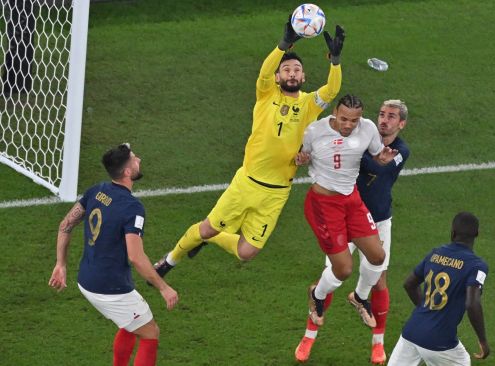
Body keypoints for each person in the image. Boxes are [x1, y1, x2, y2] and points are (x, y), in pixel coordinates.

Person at [151, 17, 345, 277]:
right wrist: (283, 45)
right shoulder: (266, 95)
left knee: (246, 252)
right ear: (278, 77)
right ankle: (171, 260)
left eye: (297, 69)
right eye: (286, 69)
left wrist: (335, 61)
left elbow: (332, 90)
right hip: (247, 183)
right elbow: (264, 72)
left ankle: (211, 240)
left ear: (304, 76)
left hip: (277, 193)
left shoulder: (309, 104)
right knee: (208, 227)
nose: (291, 73)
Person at [295, 99, 410, 364]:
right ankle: (309, 335)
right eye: (382, 114)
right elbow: (311, 153)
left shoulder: (399, 149)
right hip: (337, 210)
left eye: (391, 117)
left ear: (401, 124)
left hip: (376, 217)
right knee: (337, 270)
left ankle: (373, 332)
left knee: (379, 270)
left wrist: (369, 154)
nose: (384, 120)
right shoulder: (349, 135)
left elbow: (377, 167)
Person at [48, 143, 179, 366]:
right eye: (135, 159)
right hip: (109, 288)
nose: (139, 160)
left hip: (86, 279)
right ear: (127, 172)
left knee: (129, 323)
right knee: (150, 332)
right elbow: (136, 257)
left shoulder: (96, 191)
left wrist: (61, 264)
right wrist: (164, 287)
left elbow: (65, 224)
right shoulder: (132, 208)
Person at [387, 212, 490, 366]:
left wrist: (426, 309)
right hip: (439, 340)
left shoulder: (435, 254)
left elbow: (409, 284)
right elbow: (472, 303)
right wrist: (483, 340)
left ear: (453, 232)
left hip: (412, 331)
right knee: (462, 361)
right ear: (477, 234)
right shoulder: (476, 266)